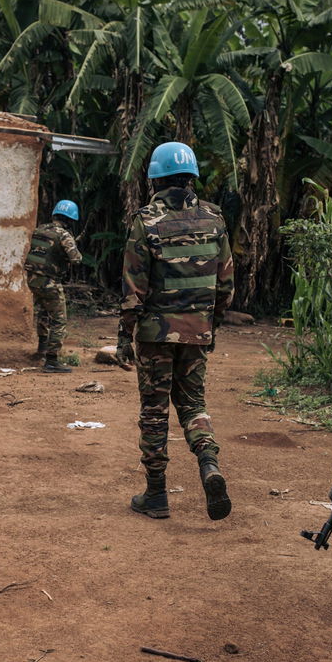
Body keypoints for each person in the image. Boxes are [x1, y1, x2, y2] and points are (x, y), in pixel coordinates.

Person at [116, 141, 235, 521]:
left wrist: (124, 336)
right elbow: (225, 284)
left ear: (155, 178)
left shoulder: (146, 221)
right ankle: (208, 463)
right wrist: (209, 325)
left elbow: (133, 286)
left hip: (155, 335)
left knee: (154, 412)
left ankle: (156, 495)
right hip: (197, 332)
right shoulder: (214, 218)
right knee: (194, 405)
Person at [25, 199, 83, 374]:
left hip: (33, 280)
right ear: (70, 219)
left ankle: (42, 349)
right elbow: (77, 259)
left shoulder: (39, 230)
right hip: (50, 282)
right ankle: (51, 360)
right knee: (59, 319)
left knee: (43, 313)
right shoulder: (64, 235)